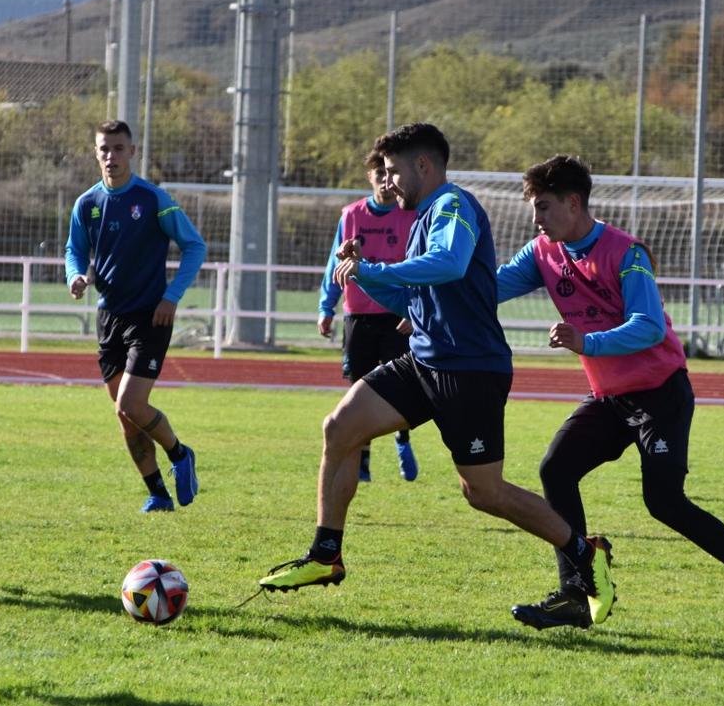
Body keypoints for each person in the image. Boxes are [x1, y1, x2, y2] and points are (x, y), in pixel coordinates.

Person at [258, 123, 615, 626]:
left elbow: (448, 264)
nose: (388, 181)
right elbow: (408, 297)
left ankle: (584, 552)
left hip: (470, 370)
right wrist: (364, 275)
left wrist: (375, 271)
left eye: (394, 170)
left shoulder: (452, 205)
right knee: (339, 427)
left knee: (484, 494)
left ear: (423, 166)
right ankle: (325, 556)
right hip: (424, 360)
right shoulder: (423, 216)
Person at [496, 154, 724, 637]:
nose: (537, 219)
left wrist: (586, 341)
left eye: (545, 207)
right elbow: (487, 289)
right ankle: (577, 590)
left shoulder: (625, 252)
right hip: (609, 398)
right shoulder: (542, 252)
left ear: (574, 203)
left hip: (659, 395)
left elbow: (650, 326)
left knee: (665, 503)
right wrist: (423, 301)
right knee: (556, 468)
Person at [66, 119, 206, 513]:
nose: (111, 156)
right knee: (125, 417)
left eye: (118, 148)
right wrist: (75, 275)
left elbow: (194, 246)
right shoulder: (87, 204)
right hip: (109, 316)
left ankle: (180, 453)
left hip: (151, 316)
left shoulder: (153, 198)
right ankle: (157, 492)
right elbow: (74, 250)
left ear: (132, 151)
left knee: (131, 403)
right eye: (104, 149)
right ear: (96, 153)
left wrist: (172, 296)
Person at [318, 148, 419, 484]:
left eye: (391, 177)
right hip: (359, 317)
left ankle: (403, 440)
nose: (387, 184)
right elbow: (337, 264)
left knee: (401, 386)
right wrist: (325, 307)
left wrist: (413, 310)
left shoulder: (410, 214)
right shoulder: (352, 215)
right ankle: (362, 462)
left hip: (396, 317)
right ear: (371, 178)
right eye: (380, 177)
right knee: (359, 389)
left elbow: (418, 267)